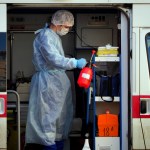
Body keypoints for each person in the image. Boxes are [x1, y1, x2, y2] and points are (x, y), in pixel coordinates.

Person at [25, 10, 87, 150]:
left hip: (56, 82)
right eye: (67, 26)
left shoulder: (53, 36)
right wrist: (75, 63)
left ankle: (57, 145)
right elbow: (54, 59)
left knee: (60, 120)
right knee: (48, 120)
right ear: (58, 23)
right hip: (49, 84)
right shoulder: (45, 36)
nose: (68, 29)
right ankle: (50, 147)